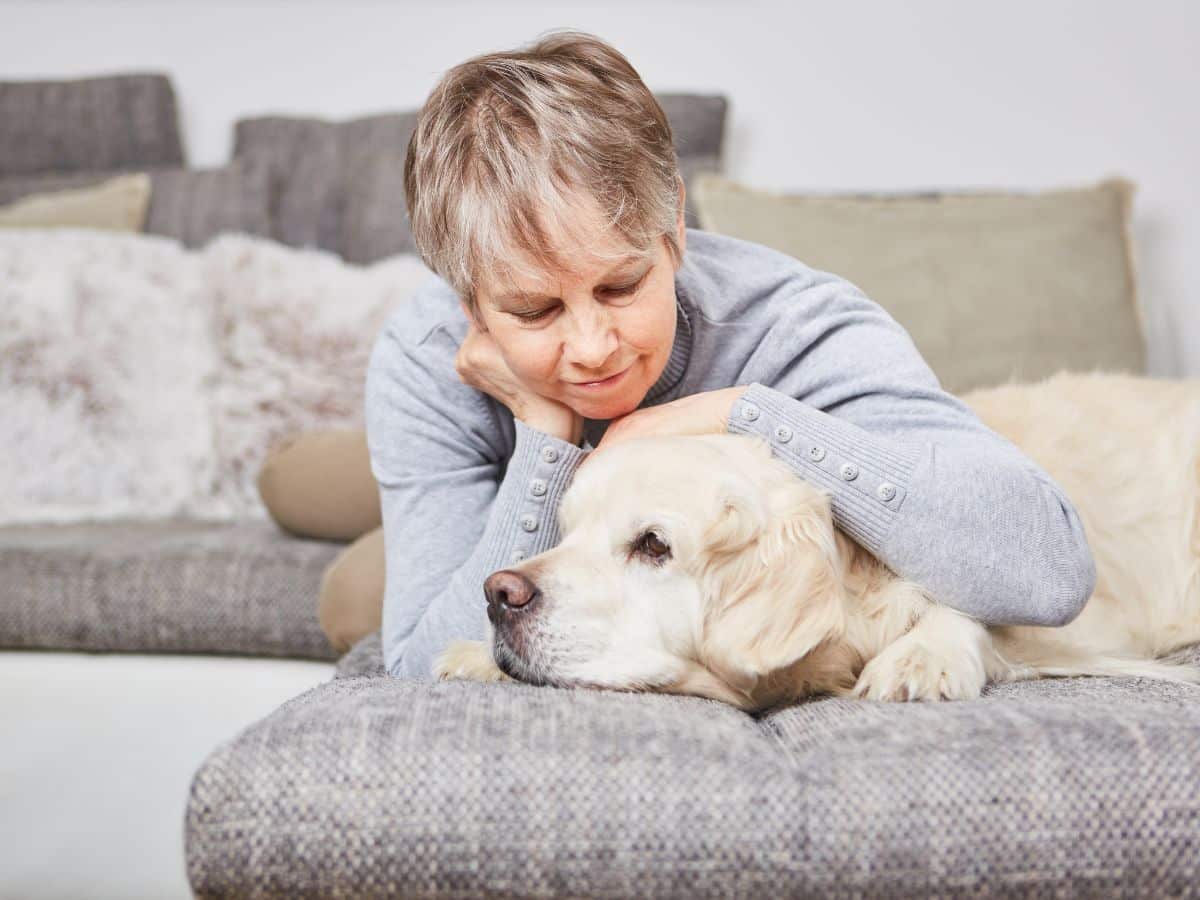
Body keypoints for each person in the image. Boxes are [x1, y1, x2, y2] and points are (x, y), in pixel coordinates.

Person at [359, 29, 1096, 680]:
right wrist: (544, 439)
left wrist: (740, 413)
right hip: (535, 527)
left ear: (674, 226)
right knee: (350, 585)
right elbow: (421, 666)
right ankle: (343, 485)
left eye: (621, 286)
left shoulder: (801, 325)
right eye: (534, 310)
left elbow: (1050, 571)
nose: (591, 349)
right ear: (468, 303)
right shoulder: (425, 358)